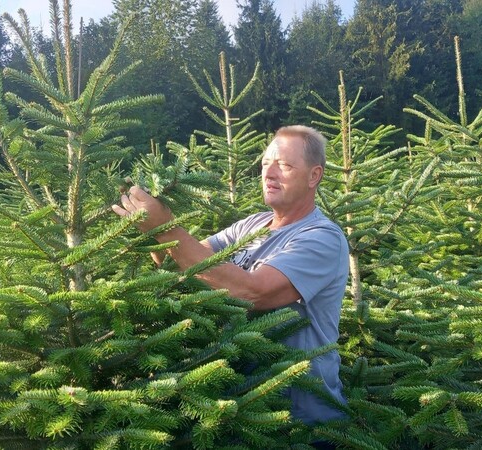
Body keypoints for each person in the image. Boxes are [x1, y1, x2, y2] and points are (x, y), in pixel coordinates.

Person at [112, 125, 349, 425]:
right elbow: (187, 263)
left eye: (284, 165)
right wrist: (155, 231)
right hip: (238, 412)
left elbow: (255, 292)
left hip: (301, 423)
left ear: (314, 175)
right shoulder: (251, 225)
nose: (269, 173)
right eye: (265, 164)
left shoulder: (322, 237)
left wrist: (168, 227)